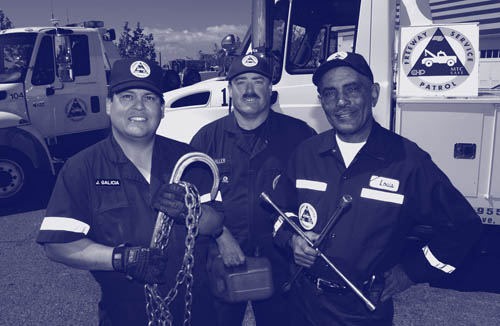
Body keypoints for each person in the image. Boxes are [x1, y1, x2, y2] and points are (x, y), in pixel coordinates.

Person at [271, 51, 483, 326]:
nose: (342, 102)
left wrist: (410, 271)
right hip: (302, 304)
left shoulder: (407, 160)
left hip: (362, 310)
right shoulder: (306, 154)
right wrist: (292, 239)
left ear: (373, 94)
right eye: (330, 93)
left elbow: (463, 228)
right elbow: (279, 215)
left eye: (352, 89)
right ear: (321, 101)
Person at [36, 58, 223, 326]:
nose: (139, 106)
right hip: (125, 314)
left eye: (149, 97)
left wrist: (193, 211)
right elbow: (57, 244)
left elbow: (217, 223)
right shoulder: (82, 168)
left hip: (197, 312)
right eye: (127, 96)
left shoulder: (190, 160)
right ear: (109, 105)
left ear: (161, 108)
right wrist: (121, 258)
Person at [190, 53, 316, 326]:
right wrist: (221, 236)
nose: (249, 90)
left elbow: (315, 196)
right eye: (241, 82)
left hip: (282, 260)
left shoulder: (300, 136)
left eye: (258, 81)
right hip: (221, 258)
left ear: (270, 88)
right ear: (230, 90)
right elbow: (193, 202)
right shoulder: (206, 139)